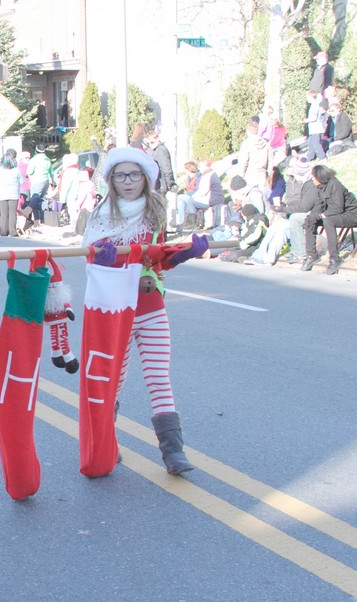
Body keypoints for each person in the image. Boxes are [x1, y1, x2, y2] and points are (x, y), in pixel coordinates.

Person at [81, 146, 208, 475]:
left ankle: (173, 452)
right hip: (115, 312)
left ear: (145, 178)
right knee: (113, 381)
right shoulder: (99, 216)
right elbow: (91, 260)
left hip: (150, 305)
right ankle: (107, 442)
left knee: (158, 378)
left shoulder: (155, 213)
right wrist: (103, 258)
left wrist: (184, 252)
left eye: (134, 174)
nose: (127, 181)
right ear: (110, 179)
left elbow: (157, 258)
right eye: (120, 175)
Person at [301, 164, 357, 275]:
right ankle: (311, 255)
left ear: (319, 176)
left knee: (328, 221)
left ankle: (335, 258)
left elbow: (338, 208)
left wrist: (322, 215)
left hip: (352, 215)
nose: (312, 179)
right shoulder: (320, 187)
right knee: (310, 219)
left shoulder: (334, 184)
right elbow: (319, 205)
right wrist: (315, 215)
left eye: (313, 177)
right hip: (335, 214)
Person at [233, 120, 273, 203]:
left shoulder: (246, 144)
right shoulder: (266, 143)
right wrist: (268, 174)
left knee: (251, 200)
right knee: (263, 199)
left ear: (248, 131)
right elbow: (271, 161)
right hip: (262, 175)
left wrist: (241, 176)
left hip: (250, 176)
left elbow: (243, 162)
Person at [0, 149, 23, 237]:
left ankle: (3, 231)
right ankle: (12, 231)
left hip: (2, 194)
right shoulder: (16, 170)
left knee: (3, 213)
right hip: (14, 194)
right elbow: (22, 181)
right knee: (12, 213)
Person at [304, 91, 327, 161]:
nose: (307, 99)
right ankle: (309, 157)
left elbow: (313, 118)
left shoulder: (314, 106)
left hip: (316, 129)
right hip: (313, 129)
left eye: (307, 97)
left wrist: (305, 120)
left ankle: (322, 157)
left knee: (316, 144)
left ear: (311, 97)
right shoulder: (314, 105)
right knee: (311, 144)